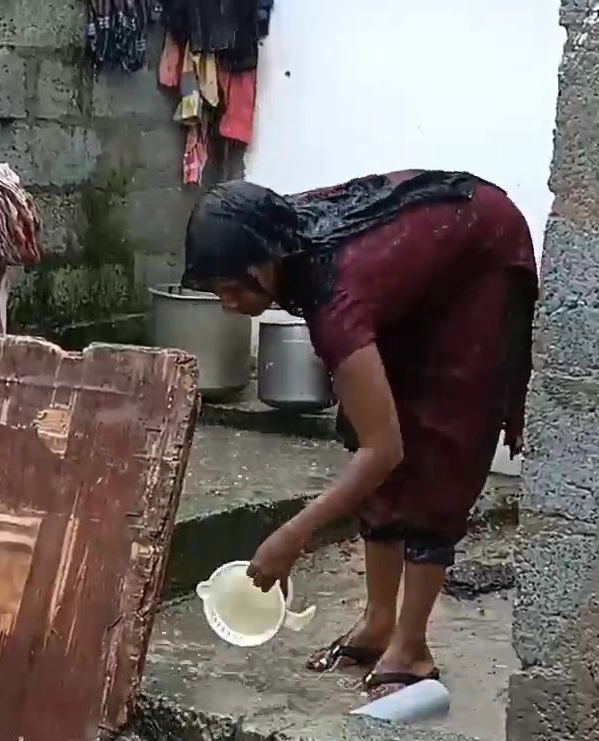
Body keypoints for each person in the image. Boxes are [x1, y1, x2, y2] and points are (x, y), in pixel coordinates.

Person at [182, 171, 537, 693]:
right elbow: (372, 436)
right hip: (422, 262)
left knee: (440, 446)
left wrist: (291, 535)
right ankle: (377, 623)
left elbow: (384, 451)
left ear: (264, 265)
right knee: (373, 414)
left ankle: (412, 647)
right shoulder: (280, 230)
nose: (226, 304)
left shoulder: (336, 298)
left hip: (481, 255)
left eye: (231, 288)